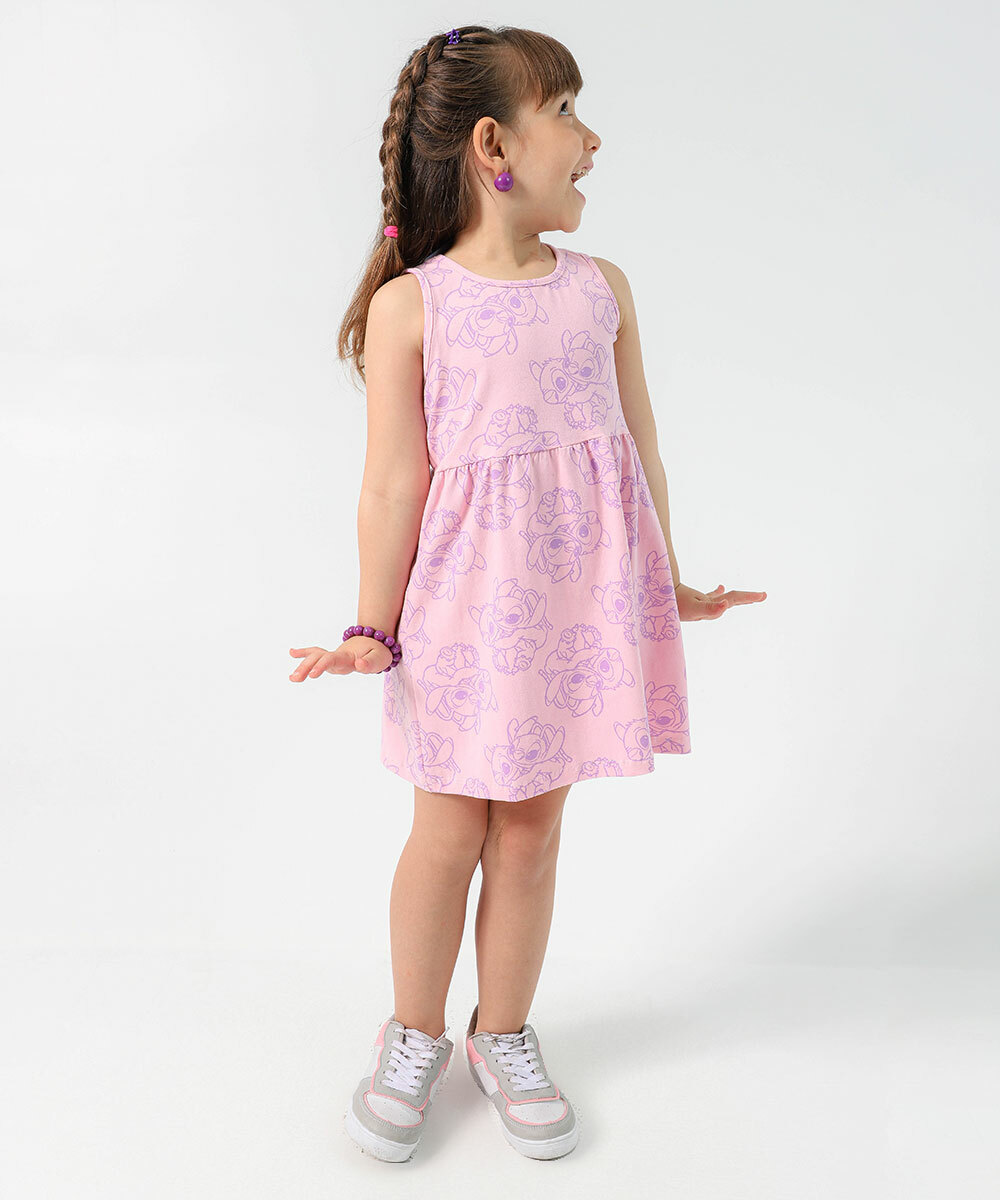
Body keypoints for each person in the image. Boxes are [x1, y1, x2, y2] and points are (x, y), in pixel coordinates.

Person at [289, 25, 766, 1163]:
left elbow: (637, 449)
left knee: (534, 832)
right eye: (566, 112)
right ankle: (412, 1034)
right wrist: (369, 623)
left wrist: (665, 580)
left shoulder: (601, 290)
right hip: (462, 616)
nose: (591, 139)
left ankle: (499, 1031)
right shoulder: (416, 307)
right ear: (494, 146)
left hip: (570, 616)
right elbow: (392, 483)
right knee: (449, 829)